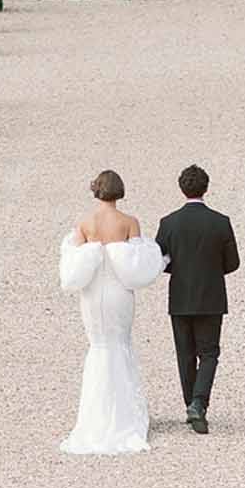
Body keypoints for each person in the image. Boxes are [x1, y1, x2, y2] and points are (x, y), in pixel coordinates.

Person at [59, 170, 164, 454]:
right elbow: (138, 265)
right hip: (119, 293)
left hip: (92, 294)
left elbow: (75, 264)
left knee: (98, 346)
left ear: (96, 191)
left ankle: (94, 416)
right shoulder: (129, 222)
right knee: (120, 345)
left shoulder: (84, 223)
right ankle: (124, 414)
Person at [156, 166, 240, 435]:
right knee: (209, 353)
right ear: (206, 188)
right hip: (211, 296)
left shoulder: (168, 223)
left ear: (182, 188)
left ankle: (190, 403)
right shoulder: (221, 222)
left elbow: (158, 261)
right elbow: (233, 262)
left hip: (180, 296)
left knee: (185, 354)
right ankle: (199, 403)